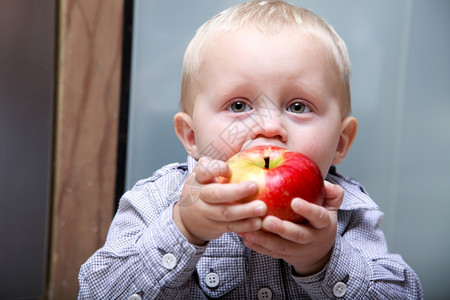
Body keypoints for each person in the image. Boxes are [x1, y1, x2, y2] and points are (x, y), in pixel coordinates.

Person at [78, 1, 423, 299]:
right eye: (239, 105)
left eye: (299, 106)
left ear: (341, 142)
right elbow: (96, 292)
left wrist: (325, 260)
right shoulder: (159, 200)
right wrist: (184, 228)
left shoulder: (347, 213)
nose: (269, 126)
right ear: (193, 137)